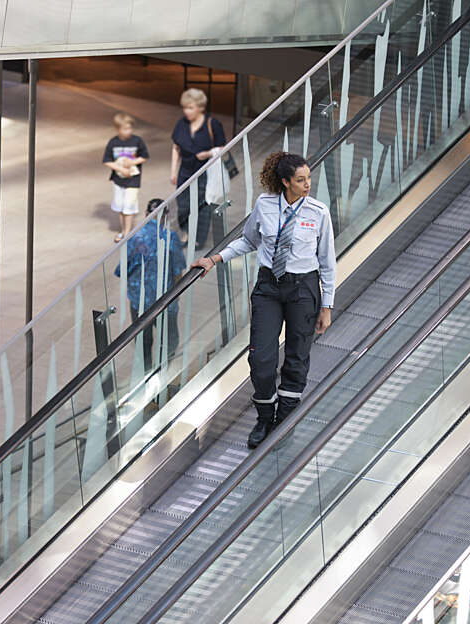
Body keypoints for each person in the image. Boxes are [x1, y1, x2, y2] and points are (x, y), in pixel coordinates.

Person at [192, 152, 336, 448]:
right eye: (301, 180)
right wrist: (215, 259)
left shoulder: (318, 212)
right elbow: (249, 240)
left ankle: (285, 419)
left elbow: (327, 262)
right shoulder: (265, 205)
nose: (308, 184)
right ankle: (265, 416)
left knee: (297, 357)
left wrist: (327, 306)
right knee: (260, 358)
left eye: (308, 178)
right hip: (269, 286)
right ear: (285, 182)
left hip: (303, 289)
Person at [115, 198, 186, 369]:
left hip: (138, 300)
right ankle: (163, 371)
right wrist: (176, 296)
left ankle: (146, 373)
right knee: (169, 339)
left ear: (147, 214)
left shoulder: (135, 237)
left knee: (143, 341)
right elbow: (178, 271)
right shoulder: (170, 238)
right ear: (166, 216)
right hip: (164, 300)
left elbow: (121, 270)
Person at [170, 88, 226, 249]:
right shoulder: (182, 123)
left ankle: (198, 239)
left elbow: (223, 148)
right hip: (185, 171)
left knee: (201, 207)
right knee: (183, 205)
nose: (186, 111)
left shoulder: (212, 124)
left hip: (205, 172)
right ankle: (186, 233)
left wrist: (208, 154)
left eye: (190, 107)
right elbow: (176, 147)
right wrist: (173, 171)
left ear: (200, 107)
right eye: (184, 107)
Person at [103, 113, 150, 243]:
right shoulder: (113, 143)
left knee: (129, 205)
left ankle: (127, 233)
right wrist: (120, 169)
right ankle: (123, 230)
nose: (128, 131)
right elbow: (107, 160)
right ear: (118, 129)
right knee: (120, 206)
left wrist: (132, 162)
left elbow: (144, 156)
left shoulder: (137, 141)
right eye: (125, 129)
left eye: (130, 128)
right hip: (118, 180)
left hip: (133, 180)